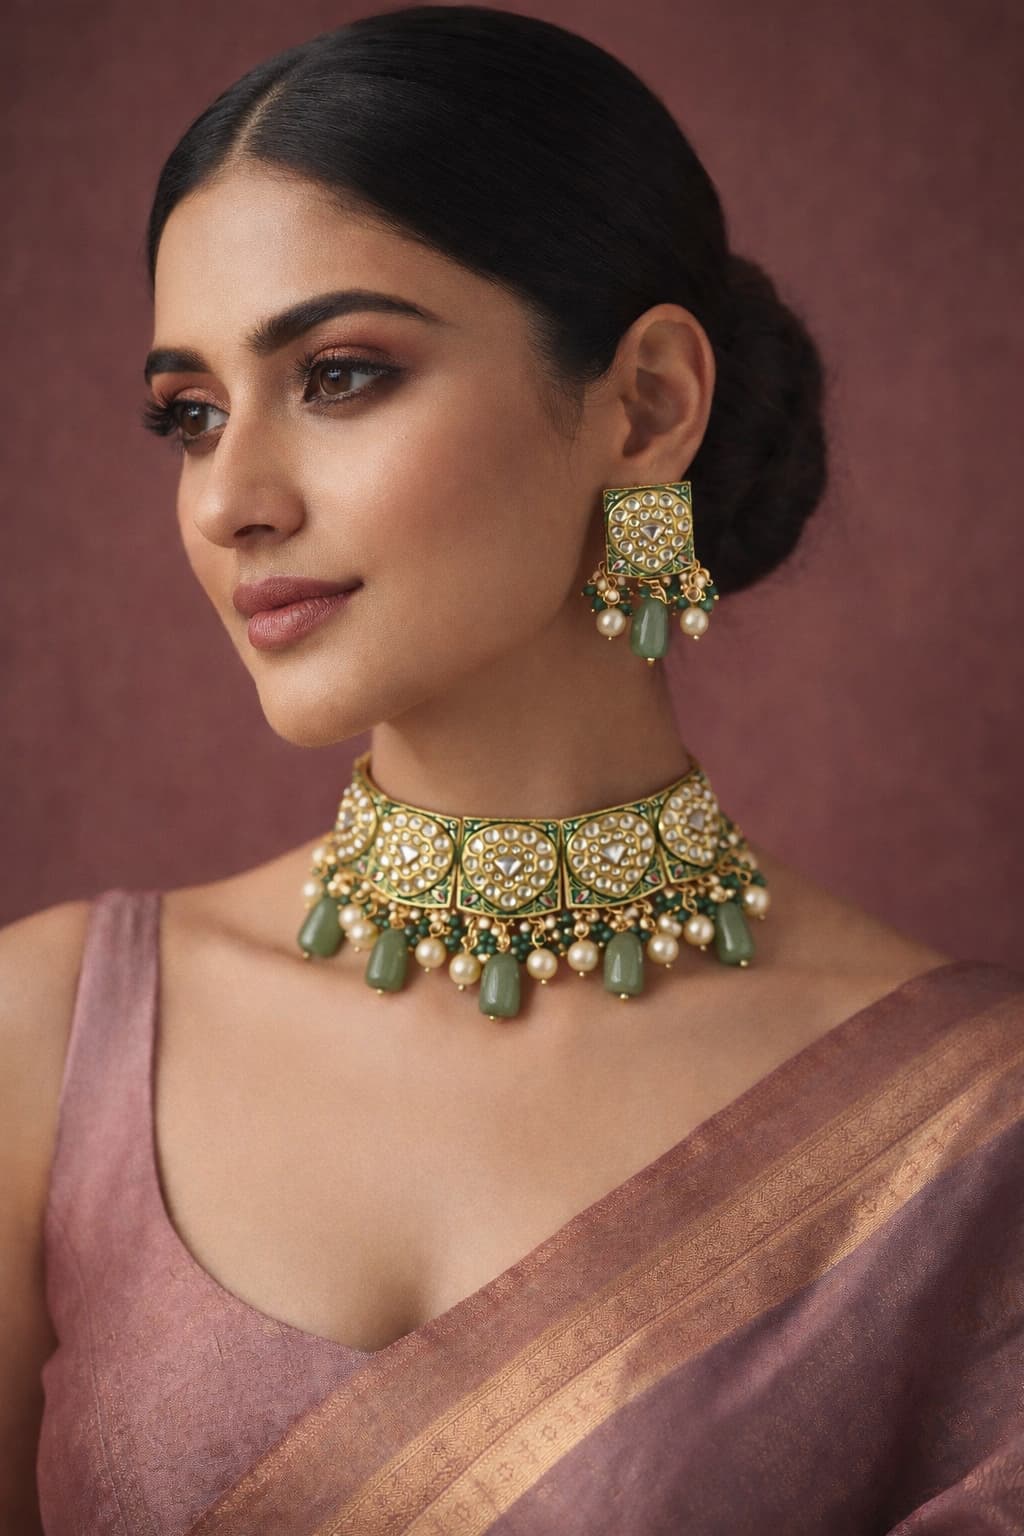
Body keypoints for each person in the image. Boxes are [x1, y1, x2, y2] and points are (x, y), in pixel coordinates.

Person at [2, 6, 1021, 1533]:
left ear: (648, 404)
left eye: (340, 375)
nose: (229, 499)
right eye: (190, 415)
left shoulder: (969, 1134)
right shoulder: (50, 1034)